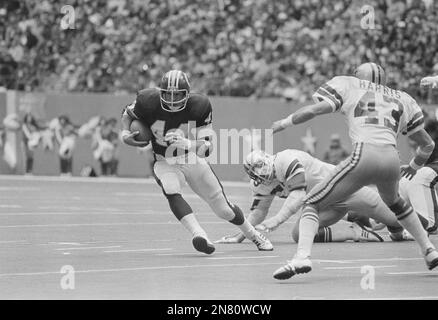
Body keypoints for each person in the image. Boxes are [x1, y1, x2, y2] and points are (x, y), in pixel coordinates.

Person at [271, 62, 438, 280]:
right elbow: (427, 145)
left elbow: (313, 110)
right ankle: (429, 250)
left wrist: (284, 122)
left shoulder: (349, 85)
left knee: (310, 203)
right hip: (392, 160)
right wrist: (414, 167)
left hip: (365, 155)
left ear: (360, 75)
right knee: (396, 202)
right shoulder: (402, 98)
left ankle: (301, 257)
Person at [120, 69, 272, 254]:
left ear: (187, 94)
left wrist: (187, 143)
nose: (173, 100)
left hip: (191, 158)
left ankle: (254, 235)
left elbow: (207, 148)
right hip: (164, 161)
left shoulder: (199, 104)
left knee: (223, 209)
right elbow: (128, 115)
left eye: (178, 95)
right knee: (171, 189)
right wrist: (125, 132)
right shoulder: (147, 99)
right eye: (168, 94)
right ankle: (199, 234)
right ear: (161, 92)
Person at [216, 149, 410, 245]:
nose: (264, 175)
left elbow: (297, 195)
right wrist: (242, 236)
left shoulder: (286, 160)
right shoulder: (261, 184)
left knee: (398, 221)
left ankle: (419, 222)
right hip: (321, 203)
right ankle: (354, 231)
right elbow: (258, 211)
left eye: (263, 168)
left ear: (269, 159)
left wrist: (276, 220)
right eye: (258, 173)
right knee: (299, 235)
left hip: (345, 188)